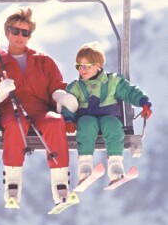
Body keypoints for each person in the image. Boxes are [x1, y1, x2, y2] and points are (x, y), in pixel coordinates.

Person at [0, 7, 78, 206]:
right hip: (12, 109)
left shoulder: (43, 61)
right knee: (14, 123)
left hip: (41, 109)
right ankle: (12, 183)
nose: (20, 36)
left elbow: (56, 85)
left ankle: (60, 184)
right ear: (7, 32)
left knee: (55, 122)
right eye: (15, 31)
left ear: (29, 36)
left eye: (25, 33)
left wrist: (59, 95)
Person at [63, 41, 152, 185]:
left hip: (108, 117)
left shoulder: (113, 81)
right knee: (86, 124)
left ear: (98, 65)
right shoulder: (76, 87)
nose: (81, 70)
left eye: (86, 66)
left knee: (113, 125)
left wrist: (143, 102)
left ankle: (115, 165)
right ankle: (85, 165)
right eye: (78, 66)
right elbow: (67, 103)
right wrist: (68, 120)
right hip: (86, 119)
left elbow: (129, 91)